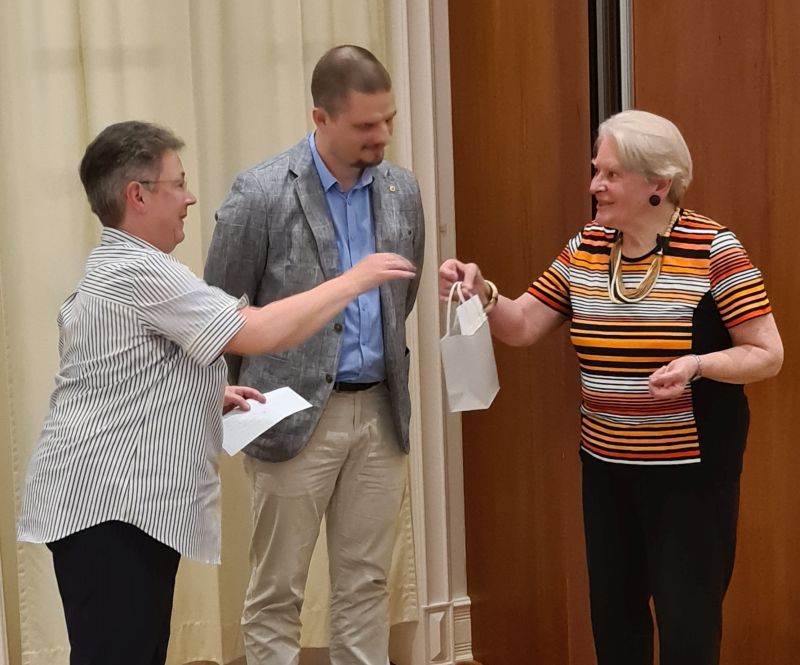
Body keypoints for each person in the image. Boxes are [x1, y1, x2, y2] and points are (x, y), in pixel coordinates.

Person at [16, 120, 414, 665]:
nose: (190, 197)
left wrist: (207, 396)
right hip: (110, 506)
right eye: (177, 184)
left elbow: (120, 371)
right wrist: (353, 279)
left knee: (132, 648)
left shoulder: (120, 265)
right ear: (137, 195)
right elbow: (260, 330)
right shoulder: (139, 270)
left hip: (113, 506)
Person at [439, 110, 783, 665]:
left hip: (690, 476)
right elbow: (524, 324)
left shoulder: (715, 249)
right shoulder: (586, 246)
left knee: (687, 629)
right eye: (596, 171)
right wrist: (484, 295)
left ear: (658, 185)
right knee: (615, 626)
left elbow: (767, 354)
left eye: (611, 174)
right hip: (606, 467)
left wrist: (698, 365)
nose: (595, 184)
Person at [204, 45, 425, 665]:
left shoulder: (403, 189)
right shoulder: (260, 192)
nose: (380, 137)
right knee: (278, 591)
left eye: (389, 121)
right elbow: (219, 313)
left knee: (367, 585)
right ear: (320, 118)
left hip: (381, 412)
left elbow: (398, 301)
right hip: (286, 412)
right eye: (364, 126)